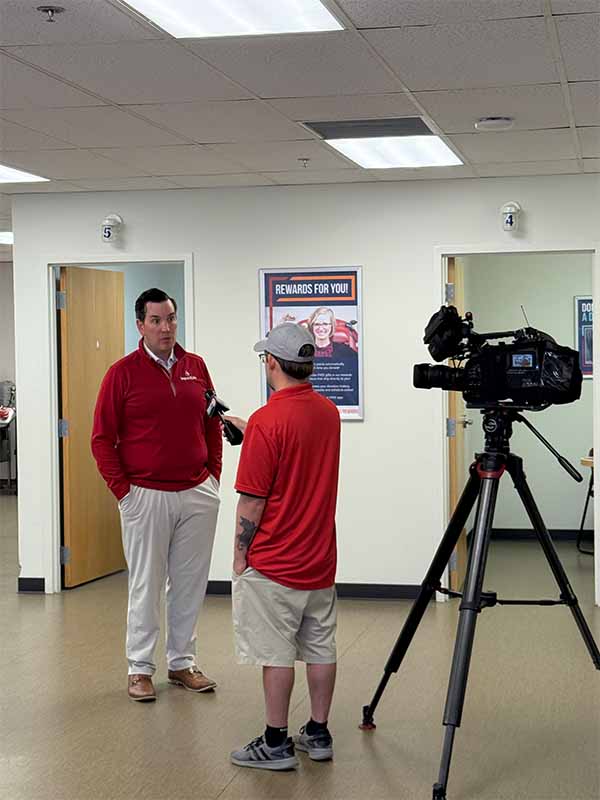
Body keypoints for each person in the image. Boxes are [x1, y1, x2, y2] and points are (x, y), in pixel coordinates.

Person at [91, 288, 222, 702]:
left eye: (171, 319)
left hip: (196, 493)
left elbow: (212, 423)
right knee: (147, 584)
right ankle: (140, 669)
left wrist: (213, 477)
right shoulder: (121, 374)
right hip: (144, 495)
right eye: (157, 321)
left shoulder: (196, 367)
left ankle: (182, 662)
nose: (166, 328)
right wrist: (124, 493)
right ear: (140, 326)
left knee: (189, 583)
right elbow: (101, 440)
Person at [228, 323, 341, 770]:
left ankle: (275, 742)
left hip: (275, 562)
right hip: (319, 558)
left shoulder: (267, 421)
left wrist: (240, 557)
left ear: (271, 362)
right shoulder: (327, 412)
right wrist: (249, 429)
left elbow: (252, 501)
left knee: (276, 653)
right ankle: (318, 731)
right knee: (320, 646)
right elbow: (299, 454)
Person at [306, 307, 359, 407]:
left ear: (332, 326)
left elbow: (353, 388)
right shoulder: (303, 353)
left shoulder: (348, 352)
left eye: (325, 324)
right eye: (317, 324)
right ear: (312, 327)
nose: (321, 328)